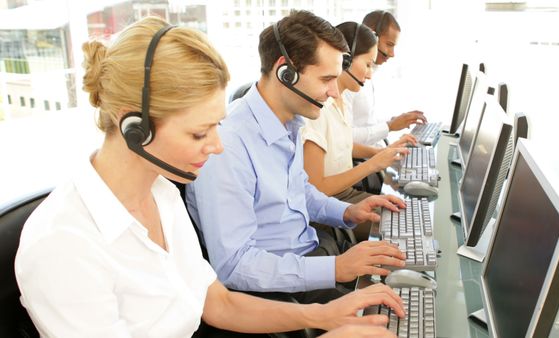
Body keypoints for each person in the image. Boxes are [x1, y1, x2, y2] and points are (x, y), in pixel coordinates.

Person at [14, 16, 404, 337]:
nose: (218, 146)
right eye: (200, 133)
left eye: (216, 126)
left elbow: (217, 302)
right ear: (136, 127)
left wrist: (322, 317)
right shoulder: (61, 246)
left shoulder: (162, 193)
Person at [186, 10, 406, 305]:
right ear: (284, 72)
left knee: (405, 284)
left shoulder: (288, 123)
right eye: (326, 79)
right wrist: (336, 268)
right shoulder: (228, 147)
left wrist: (345, 212)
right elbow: (234, 266)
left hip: (310, 256)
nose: (333, 91)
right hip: (279, 291)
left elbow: (299, 191)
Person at [300, 22, 410, 241]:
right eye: (367, 64)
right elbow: (316, 188)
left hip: (347, 194)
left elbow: (343, 145)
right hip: (330, 203)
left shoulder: (343, 99)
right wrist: (372, 164)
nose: (369, 74)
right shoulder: (317, 111)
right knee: (404, 230)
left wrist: (381, 154)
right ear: (346, 60)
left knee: (407, 215)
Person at [344, 10, 427, 147]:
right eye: (389, 45)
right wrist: (389, 126)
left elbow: (365, 122)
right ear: (371, 35)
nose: (392, 54)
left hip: (373, 151)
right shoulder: (349, 79)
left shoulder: (369, 73)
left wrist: (396, 122)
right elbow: (344, 138)